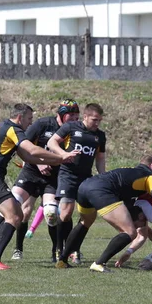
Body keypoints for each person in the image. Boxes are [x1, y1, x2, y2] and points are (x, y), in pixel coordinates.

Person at [0, 103, 78, 270]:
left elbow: (28, 157)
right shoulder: (13, 130)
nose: (30, 123)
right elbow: (32, 150)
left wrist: (59, 160)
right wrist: (61, 155)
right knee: (14, 216)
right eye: (29, 119)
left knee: (16, 211)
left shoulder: (5, 127)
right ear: (20, 117)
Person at [56, 154, 152, 273]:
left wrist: (150, 233)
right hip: (101, 191)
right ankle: (99, 263)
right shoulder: (150, 176)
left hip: (84, 186)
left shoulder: (128, 173)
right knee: (129, 232)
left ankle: (62, 261)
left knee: (84, 223)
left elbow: (129, 208)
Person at [9, 99, 80, 262]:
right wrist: (39, 164)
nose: (75, 120)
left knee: (53, 213)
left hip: (54, 178)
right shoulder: (42, 124)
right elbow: (23, 146)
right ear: (61, 115)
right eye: (71, 116)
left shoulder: (74, 131)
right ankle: (18, 249)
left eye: (77, 117)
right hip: (33, 172)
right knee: (24, 211)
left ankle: (59, 250)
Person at [47, 103, 106, 262]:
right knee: (65, 214)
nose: (97, 123)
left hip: (86, 178)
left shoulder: (100, 136)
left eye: (99, 120)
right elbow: (52, 142)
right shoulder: (71, 127)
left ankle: (74, 250)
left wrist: (103, 177)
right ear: (85, 117)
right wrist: (63, 154)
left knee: (87, 217)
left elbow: (100, 159)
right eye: (94, 119)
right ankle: (60, 249)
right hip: (68, 175)